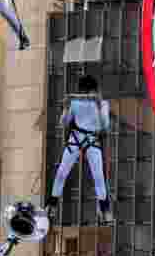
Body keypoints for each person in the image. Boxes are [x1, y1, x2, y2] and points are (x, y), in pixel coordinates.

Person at [46, 75, 113, 224]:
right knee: (62, 172)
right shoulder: (75, 102)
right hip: (76, 139)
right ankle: (52, 204)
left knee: (98, 177)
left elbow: (105, 127)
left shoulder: (102, 103)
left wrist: (99, 106)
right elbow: (64, 122)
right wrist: (65, 107)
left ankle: (105, 210)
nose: (87, 94)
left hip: (91, 140)